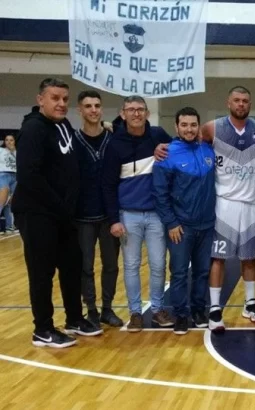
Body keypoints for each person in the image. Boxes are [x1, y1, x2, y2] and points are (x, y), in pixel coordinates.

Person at [13, 78, 101, 348]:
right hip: (38, 214)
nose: (61, 103)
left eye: (64, 99)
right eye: (55, 98)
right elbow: (30, 177)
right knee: (42, 272)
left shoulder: (62, 125)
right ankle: (42, 329)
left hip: (63, 216)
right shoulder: (33, 130)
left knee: (72, 266)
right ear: (41, 99)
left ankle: (74, 318)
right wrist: (60, 206)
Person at [200, 86, 255, 331]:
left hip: (250, 203)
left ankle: (250, 303)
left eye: (245, 101)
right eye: (237, 100)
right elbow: (193, 145)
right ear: (228, 102)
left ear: (250, 104)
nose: (241, 104)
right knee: (218, 257)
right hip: (224, 202)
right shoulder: (212, 128)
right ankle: (215, 308)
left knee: (249, 257)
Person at [102, 95, 174, 332]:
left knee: (158, 265)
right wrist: (114, 220)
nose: (136, 113)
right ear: (123, 114)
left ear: (147, 113)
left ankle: (157, 310)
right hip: (127, 215)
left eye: (140, 109)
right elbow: (108, 185)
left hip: (156, 214)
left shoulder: (159, 135)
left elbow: (178, 152)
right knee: (131, 266)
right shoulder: (114, 144)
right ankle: (134, 313)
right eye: (131, 110)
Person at [152, 107, 216, 335]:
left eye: (193, 125)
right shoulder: (166, 155)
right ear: (176, 127)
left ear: (199, 126)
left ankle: (199, 310)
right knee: (179, 272)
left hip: (207, 225)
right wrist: (171, 222)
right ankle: (180, 314)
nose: (189, 129)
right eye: (185, 125)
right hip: (181, 227)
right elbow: (160, 194)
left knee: (201, 271)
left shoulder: (208, 149)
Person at [73, 90, 123, 328]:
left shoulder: (113, 138)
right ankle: (91, 309)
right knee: (85, 266)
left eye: (97, 105)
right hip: (82, 215)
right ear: (80, 110)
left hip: (109, 215)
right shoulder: (72, 141)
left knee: (111, 265)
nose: (93, 109)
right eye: (88, 106)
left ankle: (107, 309)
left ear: (102, 109)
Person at [0, 134, 17, 234]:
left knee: (10, 203)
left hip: (14, 176)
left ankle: (9, 226)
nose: (9, 142)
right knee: (2, 201)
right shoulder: (1, 150)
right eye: (7, 140)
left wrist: (13, 151)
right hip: (3, 175)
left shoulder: (18, 152)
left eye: (11, 140)